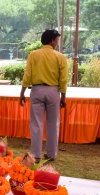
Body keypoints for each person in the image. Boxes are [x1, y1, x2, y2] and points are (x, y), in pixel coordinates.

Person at [20, 29, 68, 162]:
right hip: (53, 91)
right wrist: (63, 97)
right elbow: (63, 80)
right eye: (57, 40)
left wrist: (22, 93)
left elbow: (27, 76)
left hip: (36, 90)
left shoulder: (33, 55)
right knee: (53, 124)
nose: (57, 43)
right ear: (52, 40)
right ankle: (51, 154)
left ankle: (36, 155)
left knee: (36, 124)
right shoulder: (60, 57)